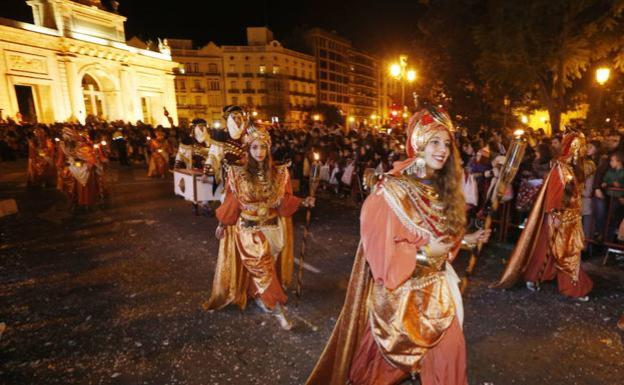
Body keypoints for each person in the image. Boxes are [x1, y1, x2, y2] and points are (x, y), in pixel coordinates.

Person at [305, 107, 490, 385]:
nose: (442, 150)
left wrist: (463, 241)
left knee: (450, 359)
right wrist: (427, 254)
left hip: (438, 294)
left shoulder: (441, 187)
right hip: (400, 300)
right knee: (377, 372)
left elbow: (439, 238)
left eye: (446, 143)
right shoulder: (390, 191)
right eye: (434, 142)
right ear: (418, 142)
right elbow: (382, 257)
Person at [203, 123, 315, 330]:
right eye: (255, 147)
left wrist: (303, 202)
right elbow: (231, 202)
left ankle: (258, 295)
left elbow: (285, 200)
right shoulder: (236, 173)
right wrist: (222, 224)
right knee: (262, 268)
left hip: (273, 230)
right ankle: (276, 307)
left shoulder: (280, 173)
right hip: (248, 230)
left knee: (267, 268)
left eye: (263, 147)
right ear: (248, 149)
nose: (259, 152)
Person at [491, 132, 594, 301]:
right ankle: (568, 286)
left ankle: (548, 279)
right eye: (578, 146)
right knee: (557, 250)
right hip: (558, 217)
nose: (581, 150)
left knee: (565, 251)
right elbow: (554, 192)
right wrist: (554, 213)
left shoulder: (575, 167)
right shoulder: (560, 167)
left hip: (572, 217)